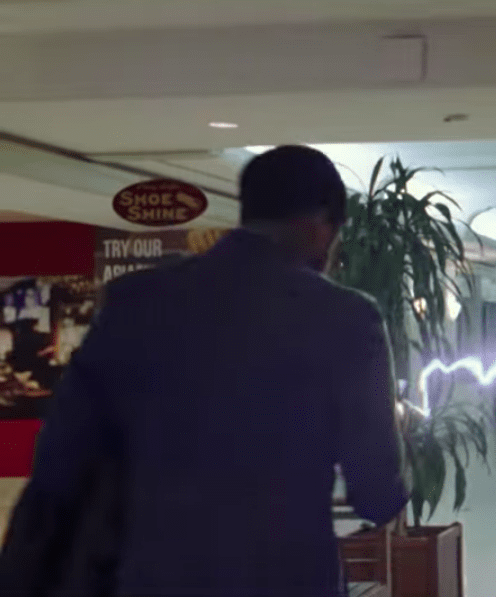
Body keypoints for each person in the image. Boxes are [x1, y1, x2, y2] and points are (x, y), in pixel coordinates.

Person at [0, 145, 408, 597]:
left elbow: (60, 461)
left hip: (151, 580)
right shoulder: (346, 319)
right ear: (321, 224)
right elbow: (377, 493)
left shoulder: (134, 302)